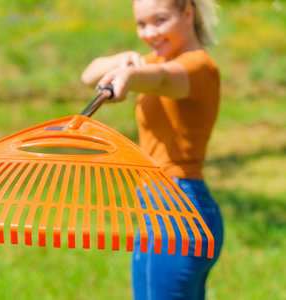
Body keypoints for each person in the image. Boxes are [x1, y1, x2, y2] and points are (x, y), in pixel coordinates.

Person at [81, 0, 224, 299]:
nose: (149, 33)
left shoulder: (196, 66)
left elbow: (162, 79)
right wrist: (121, 61)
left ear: (187, 14)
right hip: (181, 209)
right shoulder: (158, 60)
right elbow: (89, 74)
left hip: (175, 212)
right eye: (141, 24)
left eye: (160, 20)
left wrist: (129, 77)